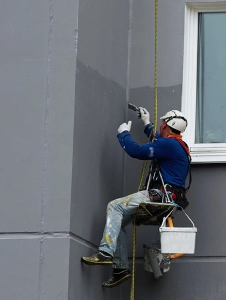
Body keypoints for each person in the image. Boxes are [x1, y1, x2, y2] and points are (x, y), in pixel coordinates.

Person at [81, 108, 191, 288]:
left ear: (167, 125)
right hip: (170, 200)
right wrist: (146, 123)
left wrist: (123, 133)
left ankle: (105, 253)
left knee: (114, 207)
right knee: (119, 222)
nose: (161, 125)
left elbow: (136, 151)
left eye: (162, 123)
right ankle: (120, 269)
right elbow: (159, 141)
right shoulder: (178, 146)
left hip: (159, 196)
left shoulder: (169, 145)